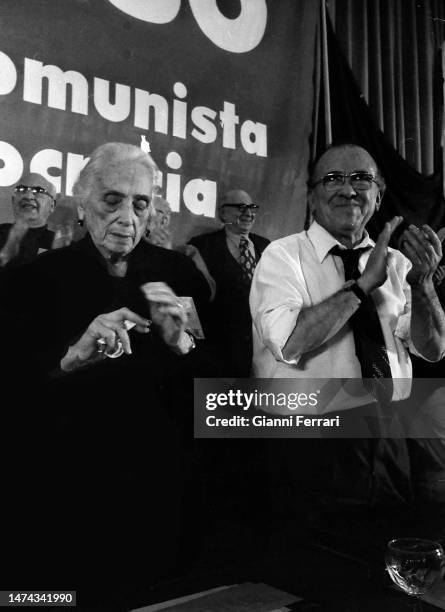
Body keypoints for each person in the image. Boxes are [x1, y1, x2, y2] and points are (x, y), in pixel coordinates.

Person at [0, 143, 216, 605]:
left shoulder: (175, 273)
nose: (127, 217)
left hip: (158, 486)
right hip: (68, 490)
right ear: (82, 203)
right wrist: (67, 361)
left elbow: (209, 375)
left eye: (140, 204)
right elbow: (13, 389)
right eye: (111, 200)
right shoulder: (37, 279)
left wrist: (180, 343)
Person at [250, 144, 445, 507]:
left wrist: (424, 286)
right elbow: (289, 342)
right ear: (311, 196)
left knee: (383, 551)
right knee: (311, 560)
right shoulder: (281, 256)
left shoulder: (399, 264)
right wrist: (361, 287)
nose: (348, 189)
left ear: (378, 193)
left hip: (388, 434)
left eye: (361, 178)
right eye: (332, 179)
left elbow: (432, 350)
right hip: (307, 439)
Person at [189, 188, 270, 376]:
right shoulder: (202, 245)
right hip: (219, 351)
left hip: (259, 349)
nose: (248, 214)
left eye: (252, 208)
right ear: (223, 212)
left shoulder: (267, 246)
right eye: (241, 207)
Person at [0, 172, 57, 266]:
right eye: (22, 190)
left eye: (38, 191)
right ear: (13, 201)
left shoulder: (62, 246)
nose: (28, 196)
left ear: (52, 206)